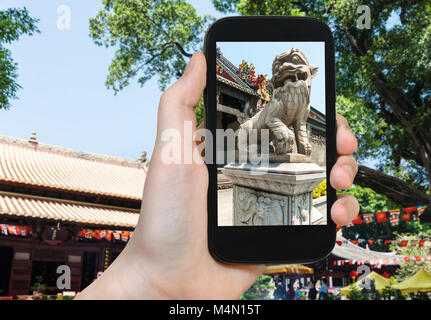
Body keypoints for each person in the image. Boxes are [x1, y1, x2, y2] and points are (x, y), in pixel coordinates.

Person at [76, 52, 359, 300]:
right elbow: (274, 122)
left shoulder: (300, 105)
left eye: (301, 76)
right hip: (253, 142)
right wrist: (152, 282)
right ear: (276, 84)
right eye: (288, 78)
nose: (295, 83)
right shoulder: (273, 106)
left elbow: (299, 126)